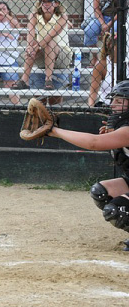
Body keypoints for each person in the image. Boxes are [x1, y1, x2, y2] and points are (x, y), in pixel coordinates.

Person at [49, 80, 129, 251]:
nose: (113, 105)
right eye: (114, 100)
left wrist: (54, 131)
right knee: (101, 192)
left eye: (120, 101)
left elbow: (93, 143)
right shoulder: (121, 128)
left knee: (117, 210)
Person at [12, 0, 72, 92]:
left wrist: (35, 47)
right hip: (43, 53)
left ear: (56, 3)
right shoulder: (34, 15)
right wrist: (30, 47)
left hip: (62, 56)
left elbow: (51, 35)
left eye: (49, 1)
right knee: (33, 44)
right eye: (43, 1)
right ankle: (24, 80)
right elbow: (30, 31)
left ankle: (48, 80)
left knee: (49, 42)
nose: (46, 4)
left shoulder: (62, 17)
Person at [83, 0, 119, 67]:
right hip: (102, 17)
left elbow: (122, 9)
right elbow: (96, 8)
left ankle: (111, 60)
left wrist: (109, 24)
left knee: (114, 34)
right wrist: (103, 23)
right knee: (89, 31)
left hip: (117, 17)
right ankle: (95, 58)